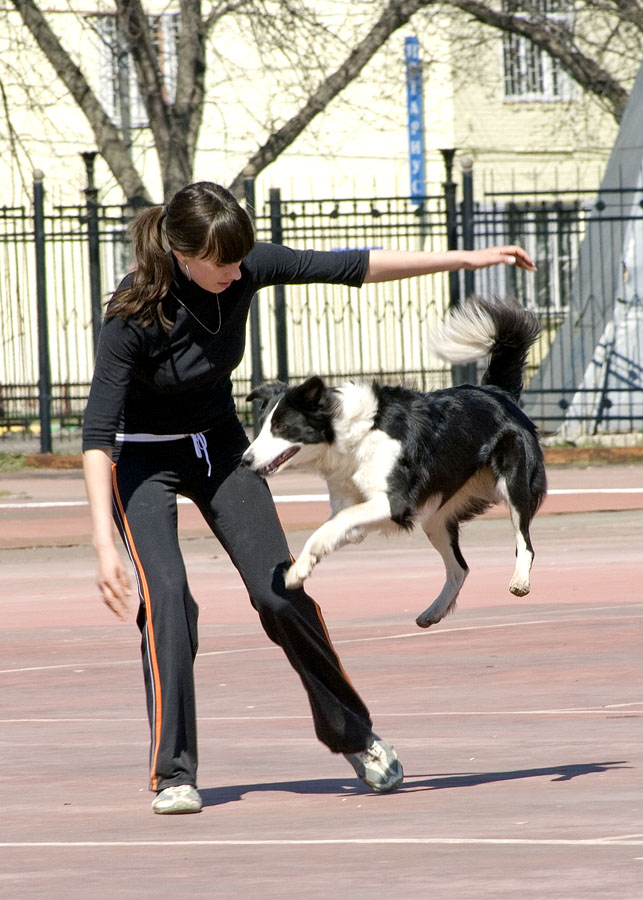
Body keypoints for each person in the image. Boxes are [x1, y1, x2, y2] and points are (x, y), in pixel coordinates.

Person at [82, 180, 536, 815]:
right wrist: (106, 547)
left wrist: (469, 259)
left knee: (280, 590)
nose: (237, 273)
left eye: (242, 260)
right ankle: (174, 773)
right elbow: (97, 436)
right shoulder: (131, 316)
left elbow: (350, 266)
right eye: (222, 264)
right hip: (143, 459)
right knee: (168, 604)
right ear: (184, 255)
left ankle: (356, 736)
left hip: (219, 447)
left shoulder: (240, 267)